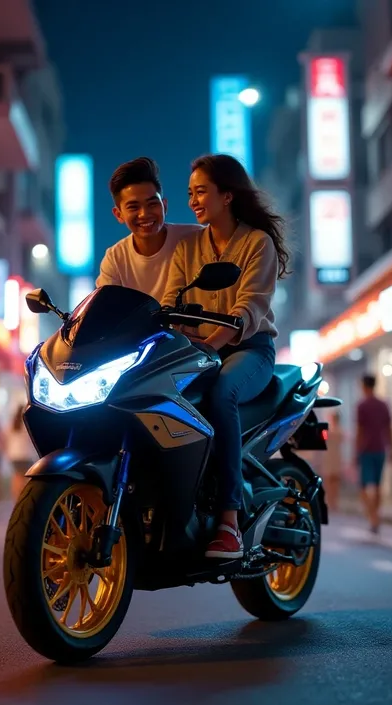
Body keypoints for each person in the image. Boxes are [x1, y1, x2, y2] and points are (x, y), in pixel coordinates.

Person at [162, 153, 290, 559]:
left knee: (220, 395)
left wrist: (209, 346)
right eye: (189, 194)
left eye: (201, 192)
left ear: (228, 195)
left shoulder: (257, 243)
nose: (194, 201)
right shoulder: (188, 247)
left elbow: (248, 310)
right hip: (199, 352)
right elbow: (170, 300)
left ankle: (230, 521)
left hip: (249, 351)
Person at [96, 157, 202, 300]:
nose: (144, 214)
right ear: (118, 214)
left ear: (164, 206)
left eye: (152, 204)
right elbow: (107, 310)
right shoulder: (115, 259)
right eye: (133, 207)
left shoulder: (196, 238)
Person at [356, 374, 392, 534]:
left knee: (364, 486)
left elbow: (360, 430)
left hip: (366, 449)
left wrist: (356, 451)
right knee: (377, 486)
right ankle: (375, 515)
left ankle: (373, 517)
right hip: (381, 449)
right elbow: (389, 429)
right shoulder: (384, 405)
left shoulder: (362, 405)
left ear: (364, 386)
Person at [5, 404, 38, 501]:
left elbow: (6, 438)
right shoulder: (27, 424)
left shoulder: (11, 425)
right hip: (25, 455)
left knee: (16, 477)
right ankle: (23, 499)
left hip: (14, 455)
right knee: (26, 479)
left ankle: (16, 499)